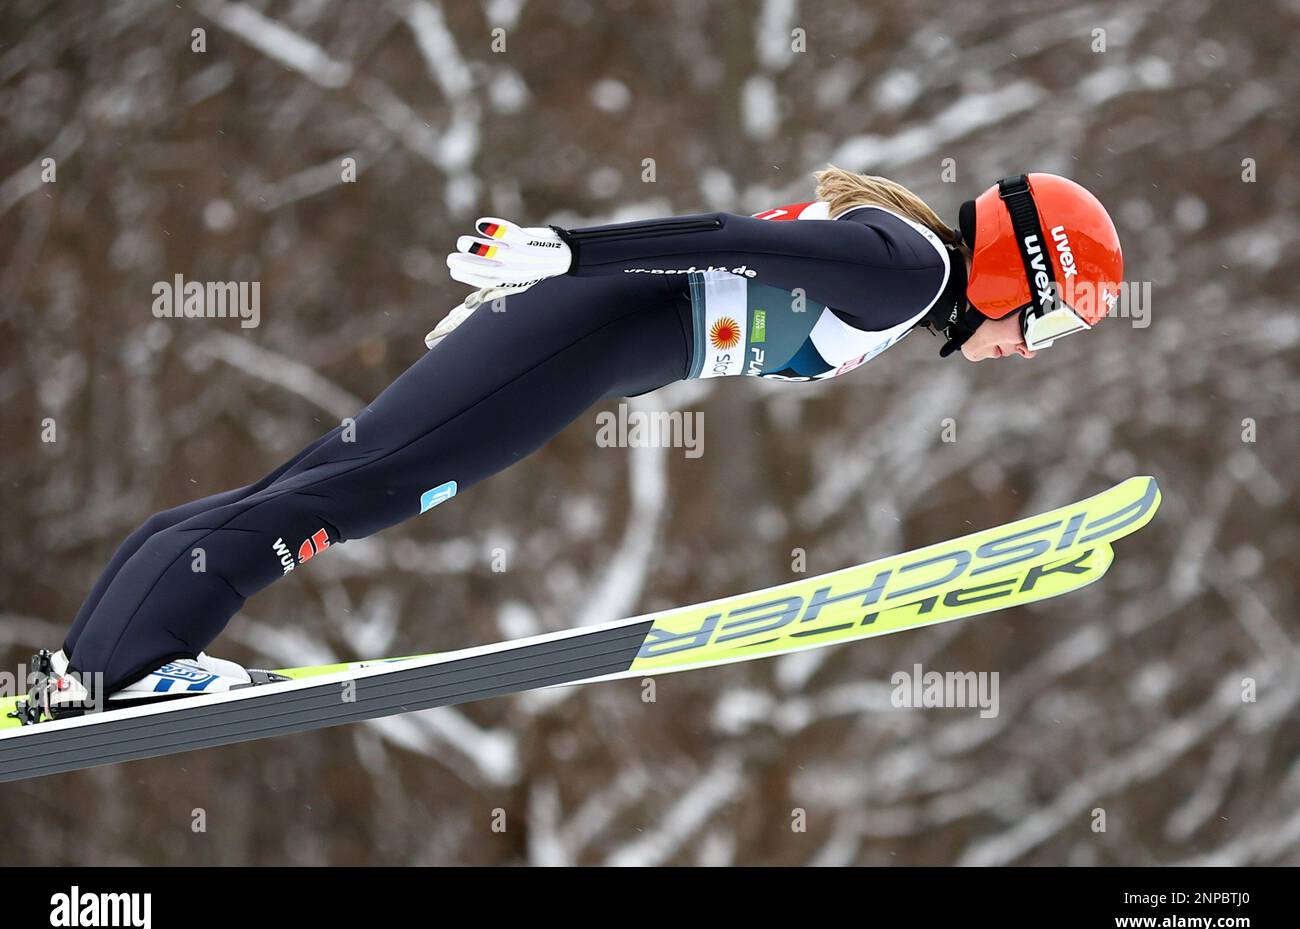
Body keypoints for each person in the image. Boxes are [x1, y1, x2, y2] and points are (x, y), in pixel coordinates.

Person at [28, 167, 1123, 717]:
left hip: (574, 335)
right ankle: (131, 667)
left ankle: (86, 668)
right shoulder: (913, 269)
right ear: (1011, 269)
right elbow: (724, 236)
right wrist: (563, 257)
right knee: (355, 489)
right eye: (1054, 317)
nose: (1035, 347)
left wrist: (560, 279)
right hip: (578, 329)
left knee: (330, 478)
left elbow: (733, 251)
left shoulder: (906, 270)